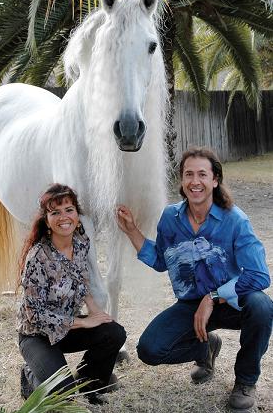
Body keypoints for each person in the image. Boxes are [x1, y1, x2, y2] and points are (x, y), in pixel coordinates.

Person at [117, 146, 273, 411]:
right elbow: (161, 261)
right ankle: (205, 348)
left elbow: (259, 276)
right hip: (191, 306)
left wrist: (213, 297)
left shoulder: (235, 221)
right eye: (188, 174)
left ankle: (245, 381)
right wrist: (132, 231)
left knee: (262, 306)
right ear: (182, 180)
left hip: (233, 303)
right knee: (149, 350)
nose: (195, 181)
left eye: (202, 174)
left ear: (215, 180)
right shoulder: (170, 218)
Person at [17, 183, 126, 405]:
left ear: (77, 215)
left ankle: (89, 386)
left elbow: (81, 277)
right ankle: (30, 377)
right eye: (55, 212)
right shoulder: (37, 257)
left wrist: (95, 311)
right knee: (62, 395)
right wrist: (83, 322)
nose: (63, 217)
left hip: (67, 330)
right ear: (46, 220)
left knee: (114, 332)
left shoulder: (81, 243)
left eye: (69, 209)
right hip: (37, 335)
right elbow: (35, 315)